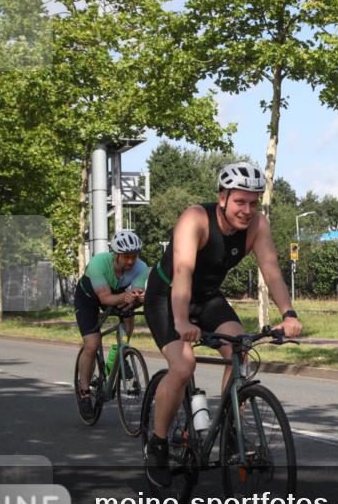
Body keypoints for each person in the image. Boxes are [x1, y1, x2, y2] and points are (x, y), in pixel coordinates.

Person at [143, 161, 303, 487]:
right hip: (167, 296)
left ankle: (232, 427)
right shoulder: (195, 219)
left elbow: (271, 269)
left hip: (209, 298)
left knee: (239, 349)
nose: (247, 210)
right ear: (222, 198)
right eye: (240, 202)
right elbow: (183, 271)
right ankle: (158, 444)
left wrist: (288, 313)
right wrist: (181, 320)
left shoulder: (258, 226)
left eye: (253, 202)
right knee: (184, 364)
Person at [74, 230, 149, 419]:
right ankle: (84, 391)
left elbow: (135, 294)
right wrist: (126, 297)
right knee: (91, 345)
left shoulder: (141, 267)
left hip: (117, 296)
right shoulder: (99, 263)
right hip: (89, 299)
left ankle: (121, 354)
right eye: (126, 256)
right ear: (116, 254)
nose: (131, 261)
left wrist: (138, 297)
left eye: (134, 256)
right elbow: (106, 298)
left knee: (128, 320)